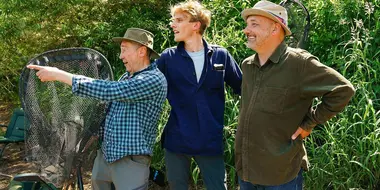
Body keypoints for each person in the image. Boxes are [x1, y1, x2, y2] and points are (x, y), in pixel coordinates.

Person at [235, 1, 356, 189]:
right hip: (247, 171)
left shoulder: (299, 64)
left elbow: (343, 90)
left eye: (254, 24)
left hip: (282, 174)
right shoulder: (247, 65)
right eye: (247, 24)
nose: (246, 30)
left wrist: (310, 122)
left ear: (275, 28)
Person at [27, 28, 167, 190]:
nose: (121, 56)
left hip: (130, 162)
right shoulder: (126, 77)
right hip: (105, 157)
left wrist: (59, 75)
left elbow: (110, 90)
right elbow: (109, 113)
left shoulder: (153, 79)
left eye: (124, 50)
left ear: (142, 51)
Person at [155, 1, 242, 189]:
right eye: (173, 20)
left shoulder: (221, 56)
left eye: (179, 20)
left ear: (196, 25)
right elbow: (147, 86)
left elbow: (244, 89)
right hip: (177, 140)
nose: (172, 24)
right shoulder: (167, 58)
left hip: (209, 139)